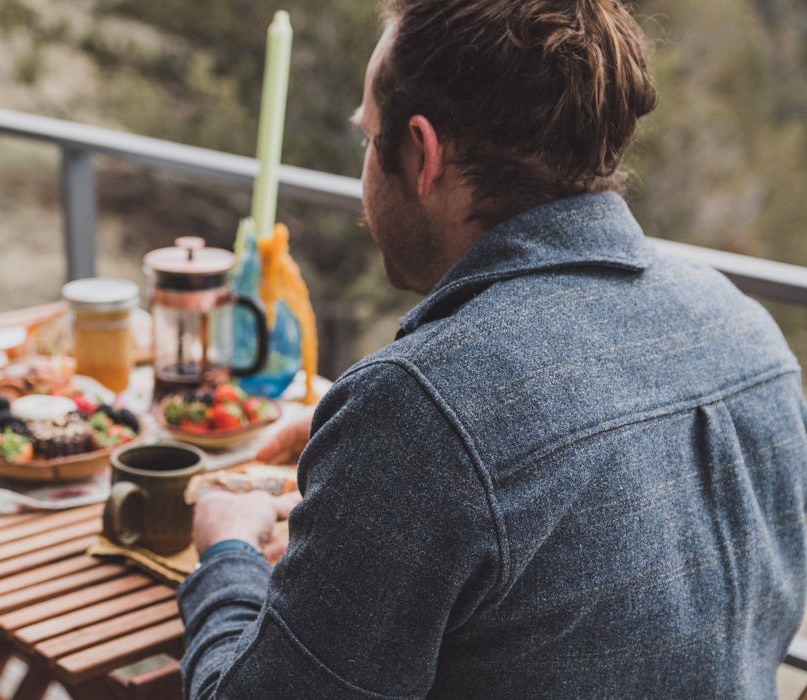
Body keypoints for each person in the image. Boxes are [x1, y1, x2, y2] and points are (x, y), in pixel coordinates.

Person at [178, 0, 807, 697]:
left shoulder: (419, 411)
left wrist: (229, 551)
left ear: (422, 152)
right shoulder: (747, 331)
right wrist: (358, 446)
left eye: (368, 138)